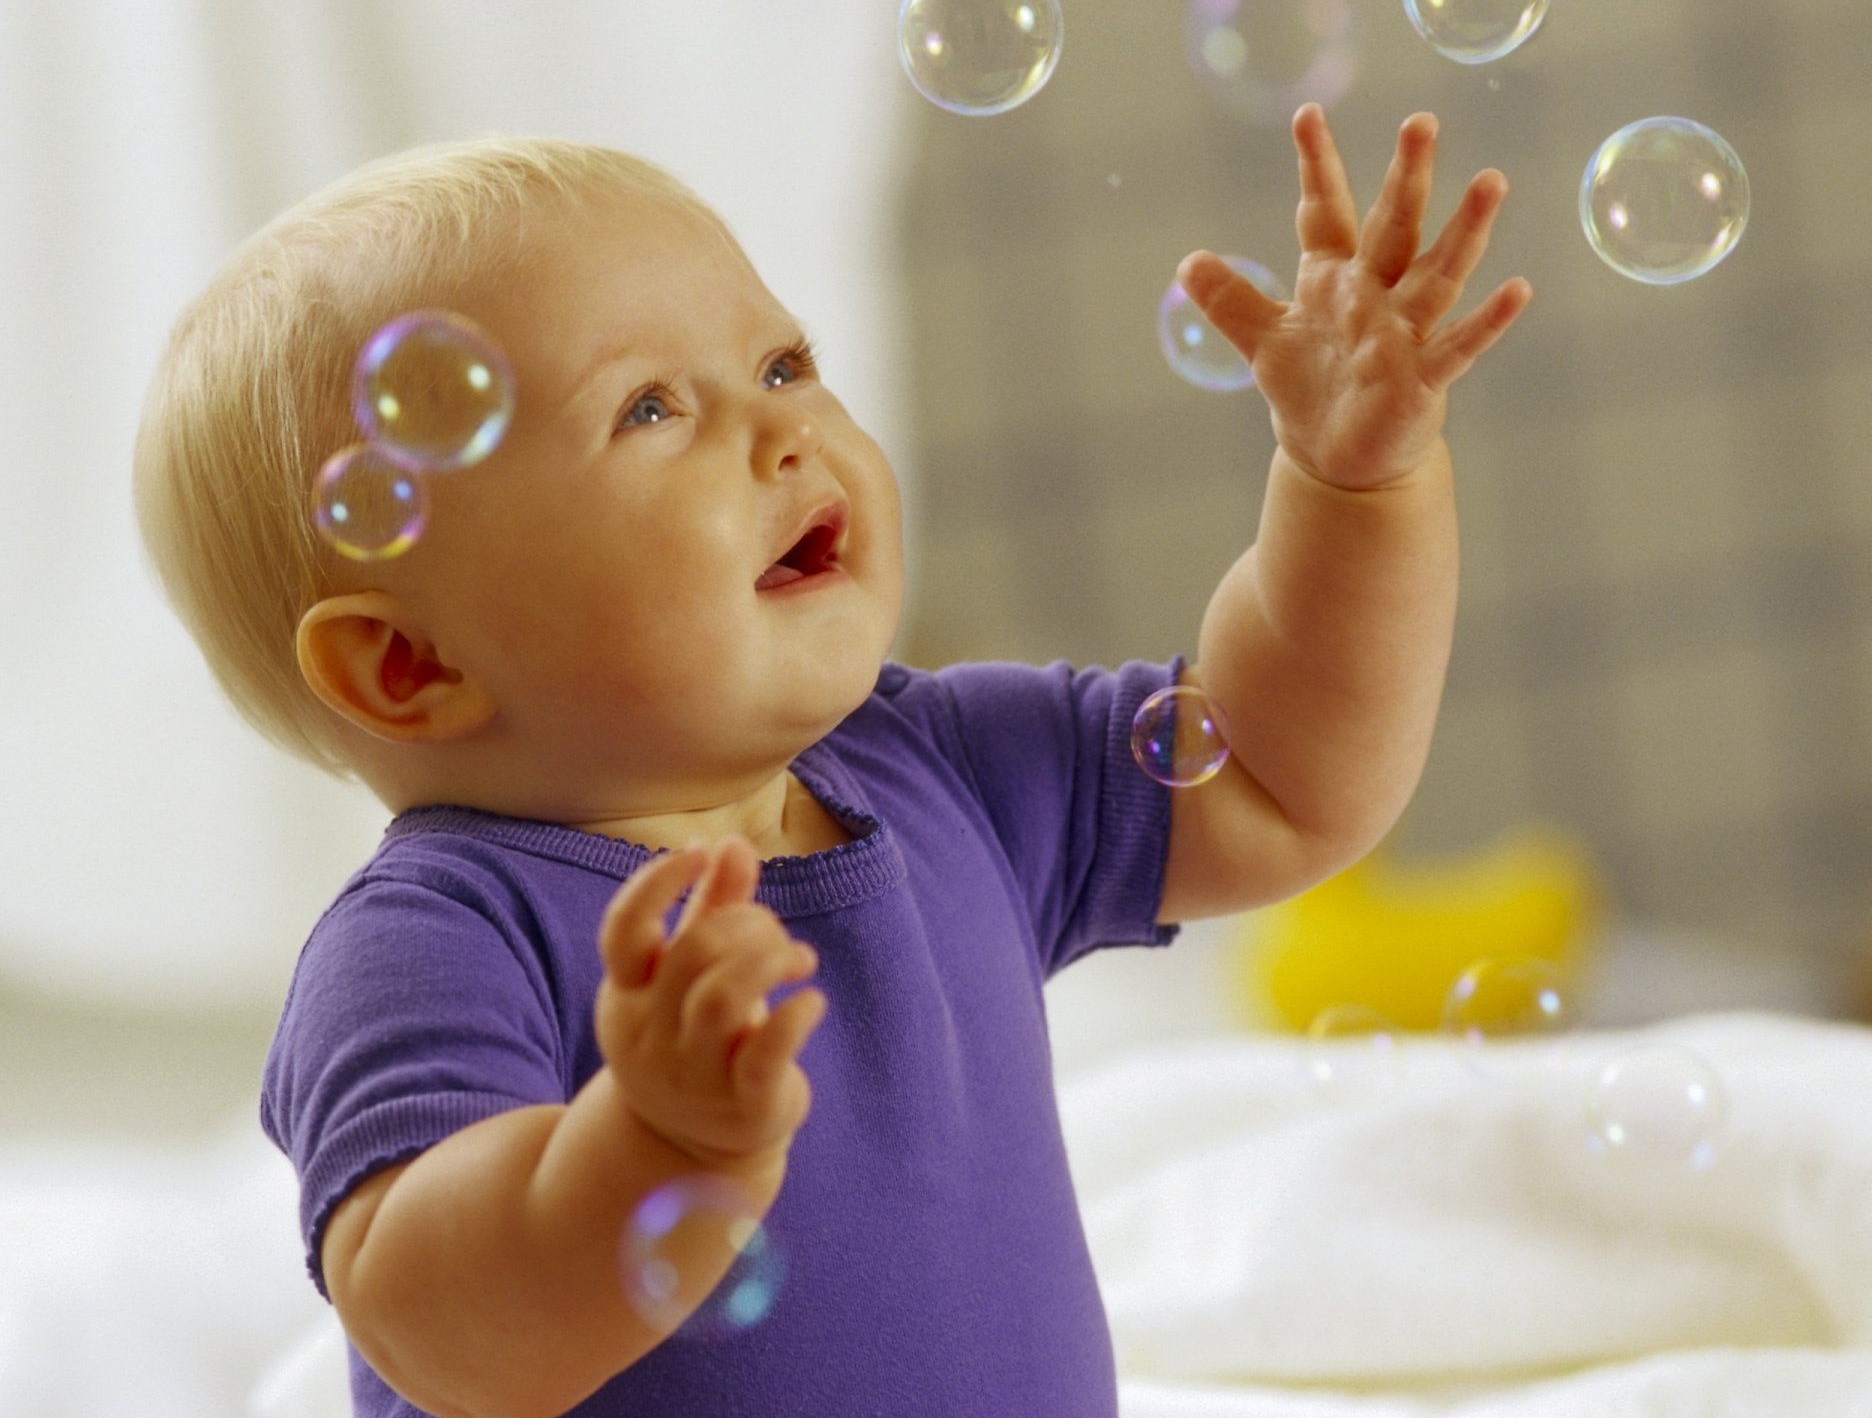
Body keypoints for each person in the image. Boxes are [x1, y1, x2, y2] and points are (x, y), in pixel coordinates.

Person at [132, 103, 1529, 1418]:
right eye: (650, 411)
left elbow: (1280, 784)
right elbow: (435, 1325)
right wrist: (654, 1150)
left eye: (785, 364)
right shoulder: (436, 939)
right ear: (411, 668)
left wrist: (1357, 493)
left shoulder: (937, 769)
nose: (784, 427)